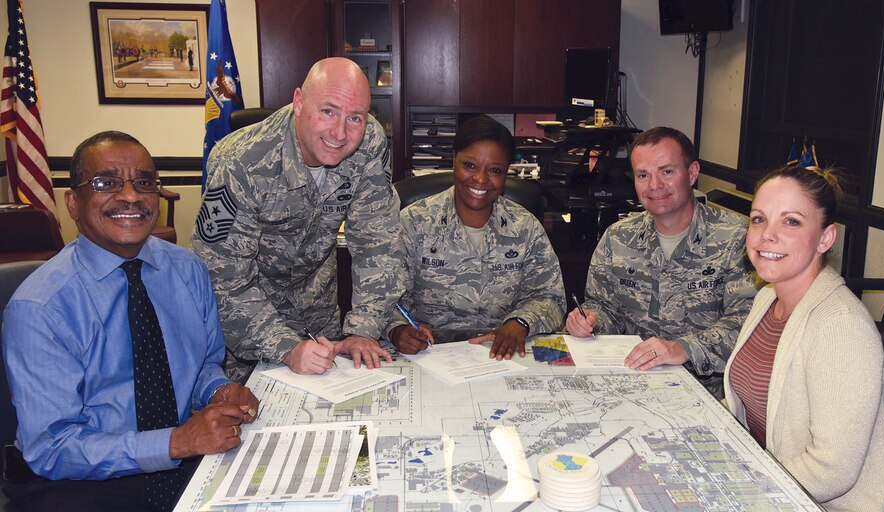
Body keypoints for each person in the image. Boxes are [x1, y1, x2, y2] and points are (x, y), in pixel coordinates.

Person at [1, 131, 260, 512]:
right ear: (73, 203)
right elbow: (52, 448)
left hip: (180, 459)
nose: (130, 196)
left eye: (144, 183)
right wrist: (175, 442)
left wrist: (218, 390)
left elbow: (203, 365)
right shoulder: (40, 307)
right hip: (76, 480)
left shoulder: (188, 270)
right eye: (106, 183)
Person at [192, 57, 402, 382]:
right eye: (328, 111)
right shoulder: (239, 164)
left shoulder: (369, 143)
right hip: (247, 328)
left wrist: (364, 328)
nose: (340, 132)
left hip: (319, 317)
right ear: (299, 102)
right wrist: (286, 347)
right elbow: (222, 279)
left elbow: (378, 242)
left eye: (355, 118)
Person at [724, 166, 884, 511]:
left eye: (791, 222)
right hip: (768, 481)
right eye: (759, 219)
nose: (767, 235)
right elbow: (746, 404)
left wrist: (743, 489)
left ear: (825, 239)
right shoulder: (768, 297)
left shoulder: (841, 326)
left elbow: (831, 469)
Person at [565, 126, 755, 397]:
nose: (654, 185)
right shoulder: (618, 238)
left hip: (708, 395)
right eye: (643, 175)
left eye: (667, 172)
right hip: (631, 383)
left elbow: (747, 323)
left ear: (692, 173)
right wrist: (590, 321)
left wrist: (682, 348)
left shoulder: (736, 238)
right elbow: (604, 307)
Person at [388, 115, 566, 359]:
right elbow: (384, 295)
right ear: (454, 160)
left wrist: (521, 323)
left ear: (506, 173)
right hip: (428, 353)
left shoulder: (526, 227)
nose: (481, 179)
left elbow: (550, 297)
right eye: (470, 165)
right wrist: (397, 329)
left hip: (504, 353)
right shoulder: (414, 222)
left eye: (494, 170)